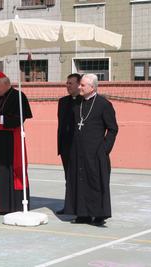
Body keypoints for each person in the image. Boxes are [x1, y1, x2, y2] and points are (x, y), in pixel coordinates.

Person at [65, 74, 118, 226]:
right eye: (80, 85)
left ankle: (99, 215)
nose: (79, 87)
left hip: (96, 153)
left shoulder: (104, 104)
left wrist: (104, 149)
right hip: (78, 152)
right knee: (79, 183)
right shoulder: (77, 104)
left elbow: (113, 129)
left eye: (82, 85)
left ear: (92, 87)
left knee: (96, 183)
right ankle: (83, 214)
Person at [0, 71, 33, 215]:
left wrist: (1, 119)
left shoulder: (18, 96)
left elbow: (19, 119)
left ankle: (10, 206)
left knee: (9, 172)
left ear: (6, 84)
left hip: (10, 141)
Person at [56, 73, 82, 214]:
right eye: (67, 83)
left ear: (79, 84)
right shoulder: (62, 101)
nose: (67, 86)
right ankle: (69, 206)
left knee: (78, 178)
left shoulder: (83, 101)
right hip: (65, 146)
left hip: (78, 147)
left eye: (70, 83)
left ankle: (80, 206)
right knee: (68, 177)